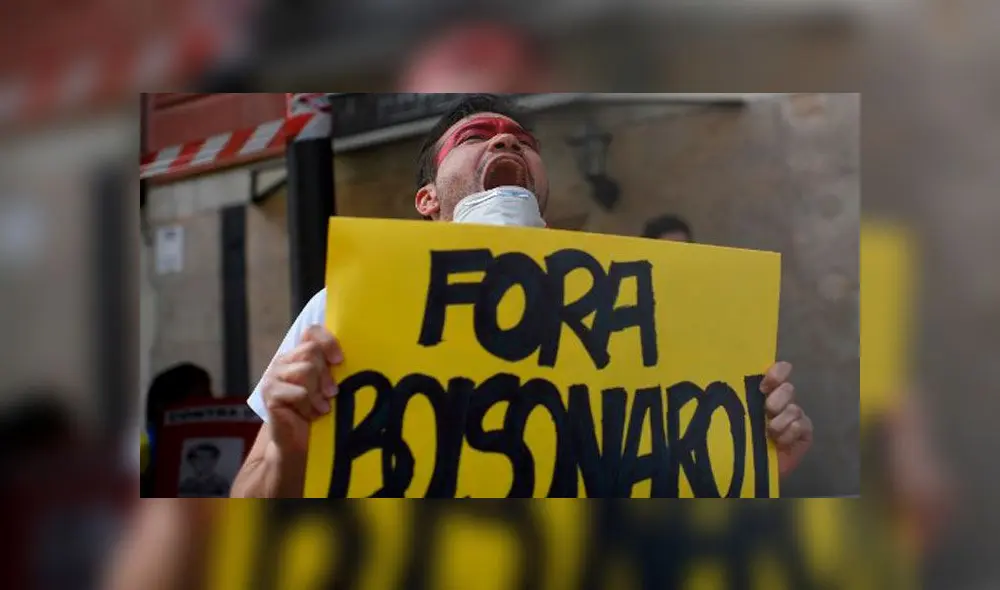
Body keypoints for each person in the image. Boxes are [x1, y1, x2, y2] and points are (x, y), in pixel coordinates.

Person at [230, 94, 813, 498]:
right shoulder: (341, 307)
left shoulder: (628, 315)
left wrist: (761, 464)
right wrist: (288, 444)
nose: (505, 138)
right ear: (428, 200)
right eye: (475, 136)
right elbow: (247, 502)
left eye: (522, 140)